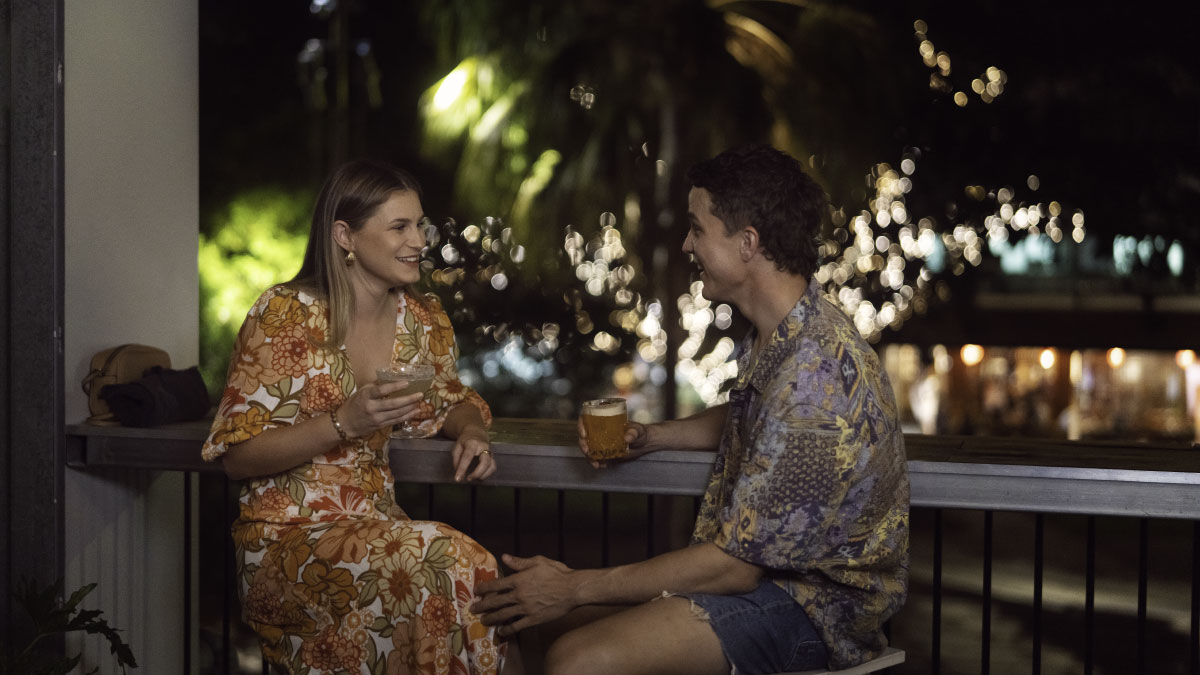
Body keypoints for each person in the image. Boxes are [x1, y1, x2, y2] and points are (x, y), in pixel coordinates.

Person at [472, 146, 909, 674]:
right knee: (521, 618)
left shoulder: (813, 378)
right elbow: (752, 415)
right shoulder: (786, 334)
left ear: (747, 242)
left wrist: (572, 586)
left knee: (576, 659)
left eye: (698, 228)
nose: (686, 243)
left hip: (812, 612)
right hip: (764, 585)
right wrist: (653, 437)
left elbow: (735, 568)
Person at [201, 159, 506, 674]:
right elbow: (237, 456)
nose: (419, 240)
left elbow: (448, 398)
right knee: (452, 560)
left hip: (378, 532)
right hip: (285, 543)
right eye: (399, 227)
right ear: (345, 235)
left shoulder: (422, 320)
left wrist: (472, 432)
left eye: (420, 225)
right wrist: (343, 422)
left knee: (461, 579)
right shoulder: (284, 314)